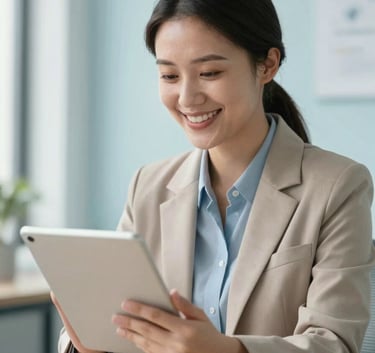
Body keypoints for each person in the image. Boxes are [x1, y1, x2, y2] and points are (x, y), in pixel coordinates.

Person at [53, 0, 375, 352]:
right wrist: (86, 340)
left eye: (209, 73)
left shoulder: (338, 185)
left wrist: (225, 349)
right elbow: (118, 318)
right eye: (170, 76)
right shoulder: (148, 186)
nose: (188, 98)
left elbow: (334, 344)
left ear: (267, 65)